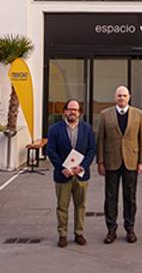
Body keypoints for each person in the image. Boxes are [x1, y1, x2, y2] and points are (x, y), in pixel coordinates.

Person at [95, 85, 142, 244]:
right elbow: (100, 139)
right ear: (115, 97)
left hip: (131, 161)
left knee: (130, 197)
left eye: (124, 95)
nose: (122, 98)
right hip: (111, 161)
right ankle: (111, 229)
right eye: (119, 95)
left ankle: (129, 228)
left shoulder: (139, 114)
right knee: (110, 196)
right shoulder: (105, 114)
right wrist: (100, 161)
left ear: (129, 97)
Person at [45, 99, 96, 248]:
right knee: (62, 206)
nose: (72, 112)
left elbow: (91, 150)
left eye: (75, 109)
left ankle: (79, 233)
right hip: (63, 175)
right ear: (65, 111)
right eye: (70, 109)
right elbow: (51, 151)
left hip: (81, 175)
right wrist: (62, 168)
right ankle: (62, 234)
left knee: (81, 205)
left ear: (80, 113)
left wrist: (83, 166)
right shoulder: (54, 129)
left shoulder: (87, 129)